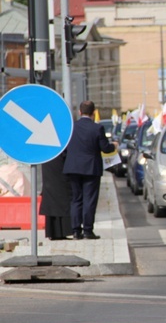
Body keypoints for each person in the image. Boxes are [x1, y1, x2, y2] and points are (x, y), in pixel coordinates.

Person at [63, 101, 116, 240]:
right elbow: (105, 148)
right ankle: (87, 231)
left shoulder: (71, 127)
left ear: (80, 112)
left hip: (73, 167)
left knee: (76, 199)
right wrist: (114, 146)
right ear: (93, 113)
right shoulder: (97, 128)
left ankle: (75, 231)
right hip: (91, 168)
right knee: (89, 200)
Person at [40, 153, 73, 240]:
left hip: (51, 173)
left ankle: (56, 233)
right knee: (61, 199)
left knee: (54, 199)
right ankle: (61, 232)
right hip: (58, 172)